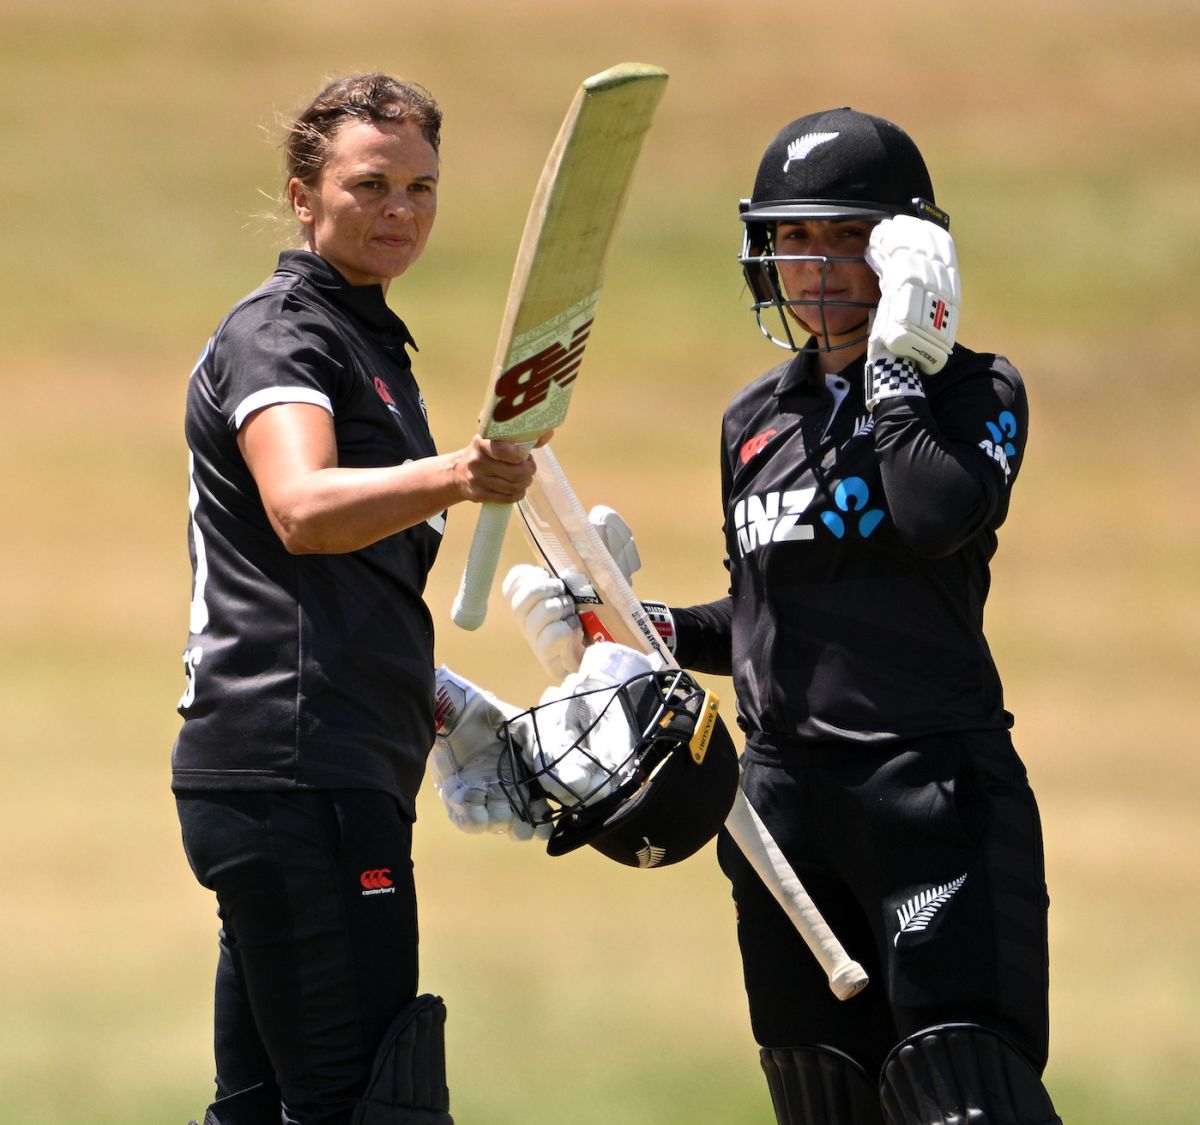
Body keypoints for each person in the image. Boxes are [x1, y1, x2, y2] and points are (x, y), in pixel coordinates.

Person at [506, 108, 1060, 1124]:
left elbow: (935, 517)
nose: (815, 267)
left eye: (845, 238)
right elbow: (761, 618)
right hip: (780, 809)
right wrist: (637, 630)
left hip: (931, 795)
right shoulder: (755, 421)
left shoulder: (977, 389)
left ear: (908, 250)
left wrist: (897, 369)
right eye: (794, 240)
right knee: (820, 1101)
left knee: (963, 1097)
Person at [172, 73, 544, 1125]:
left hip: (310, 772)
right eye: (370, 184)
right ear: (302, 195)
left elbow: (337, 581)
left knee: (263, 1111)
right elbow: (301, 509)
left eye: (422, 188)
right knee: (369, 1109)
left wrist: (420, 691)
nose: (400, 212)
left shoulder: (370, 342)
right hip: (298, 778)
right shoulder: (285, 332)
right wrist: (456, 476)